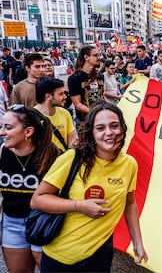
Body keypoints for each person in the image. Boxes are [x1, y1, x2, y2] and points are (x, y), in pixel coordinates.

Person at [31, 101, 148, 272]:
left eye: (114, 126)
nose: (109, 133)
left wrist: (137, 242)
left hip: (99, 255)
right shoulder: (71, 158)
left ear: (122, 128)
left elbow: (129, 204)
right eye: (100, 128)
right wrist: (78, 206)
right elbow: (37, 200)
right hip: (61, 256)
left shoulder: (130, 164)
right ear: (91, 132)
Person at [0, 105, 60, 272]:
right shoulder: (1, 152)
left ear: (28, 132)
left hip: (45, 224)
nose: (2, 132)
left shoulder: (52, 155)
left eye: (8, 127)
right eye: (2, 126)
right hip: (12, 224)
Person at [35, 76, 76, 151]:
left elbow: (72, 140)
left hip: (64, 161)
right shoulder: (32, 117)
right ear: (48, 96)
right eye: (61, 94)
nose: (65, 97)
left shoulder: (65, 113)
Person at [68, 45, 104, 126]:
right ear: (86, 57)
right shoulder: (74, 78)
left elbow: (101, 95)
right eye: (95, 55)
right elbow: (77, 104)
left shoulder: (100, 76)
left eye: (99, 55)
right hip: (84, 122)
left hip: (101, 119)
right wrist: (94, 112)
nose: (99, 58)